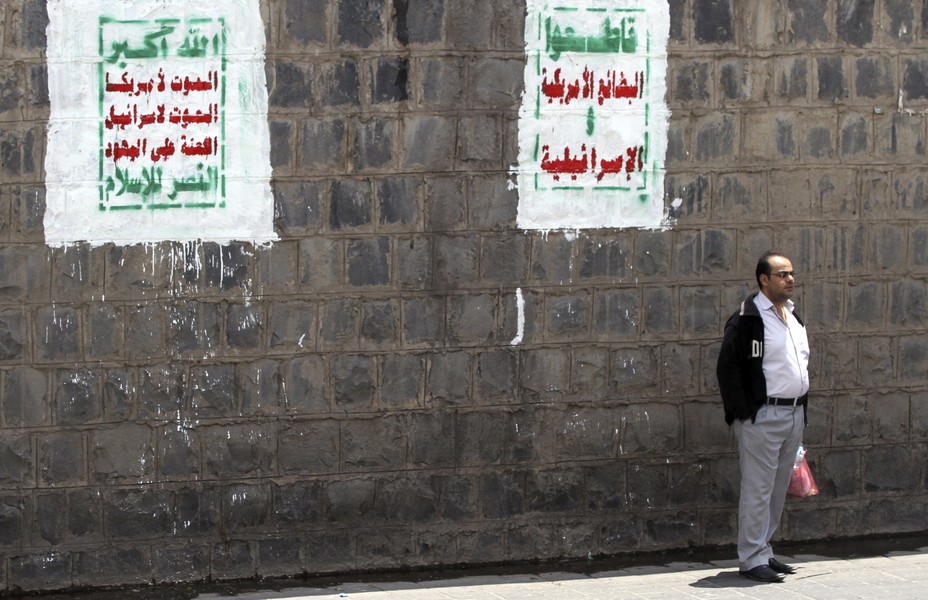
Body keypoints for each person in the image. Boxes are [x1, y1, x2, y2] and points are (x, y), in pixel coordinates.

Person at [716, 251, 810, 583]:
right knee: (758, 488)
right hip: (762, 416)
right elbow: (727, 368)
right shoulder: (747, 318)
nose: (790, 279)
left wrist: (801, 408)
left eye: (791, 273)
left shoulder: (793, 317)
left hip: (793, 413)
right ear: (764, 280)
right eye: (782, 274)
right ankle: (750, 557)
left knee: (777, 487)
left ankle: (764, 551)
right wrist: (743, 413)